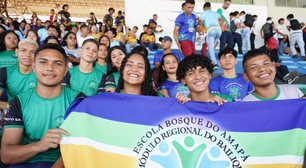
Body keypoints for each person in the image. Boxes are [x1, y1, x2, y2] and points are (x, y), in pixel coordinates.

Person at [1, 43, 85, 167]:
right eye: (43, 62)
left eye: (57, 63)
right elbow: (6, 155)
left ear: (66, 70)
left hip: (65, 162)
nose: (50, 68)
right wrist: (39, 145)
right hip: (27, 161)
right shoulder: (18, 102)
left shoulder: (79, 100)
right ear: (34, 67)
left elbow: (83, 146)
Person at [0, 39, 38, 113]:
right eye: (23, 50)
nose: (27, 55)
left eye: (32, 52)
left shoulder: (43, 74)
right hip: (13, 110)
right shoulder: (5, 72)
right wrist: (2, 104)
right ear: (17, 52)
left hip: (36, 111)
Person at [200, 2, 223, 70]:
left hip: (211, 30)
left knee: (210, 48)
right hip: (219, 31)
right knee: (211, 47)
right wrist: (221, 26)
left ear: (204, 8)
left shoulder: (203, 13)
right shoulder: (215, 13)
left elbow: (201, 22)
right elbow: (222, 19)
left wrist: (201, 29)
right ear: (210, 7)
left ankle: (214, 63)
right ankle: (207, 60)